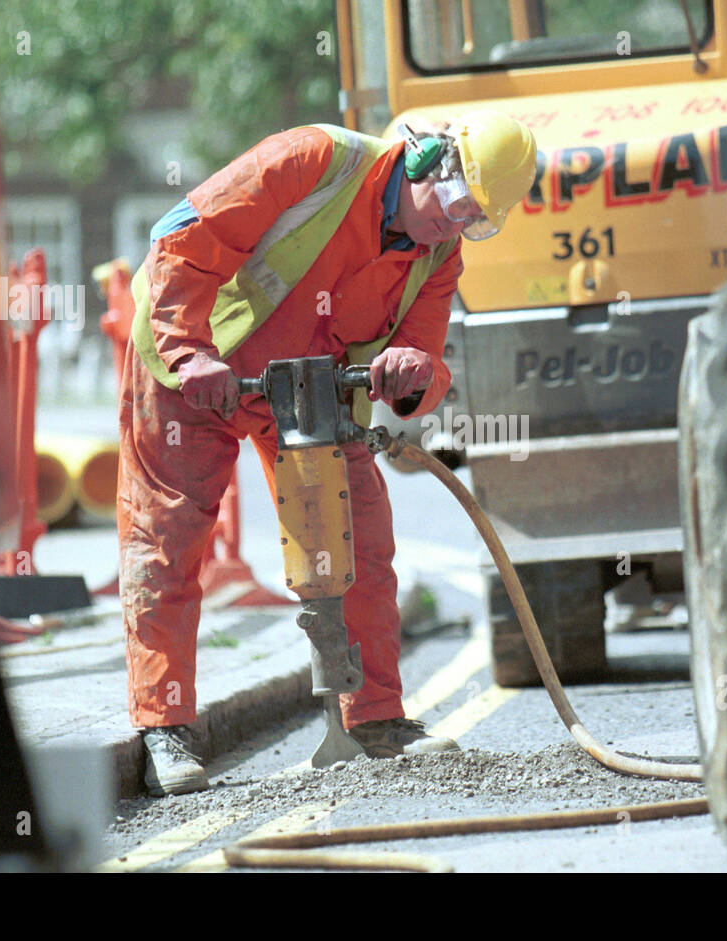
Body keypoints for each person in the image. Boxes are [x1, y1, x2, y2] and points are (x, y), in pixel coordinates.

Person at [118, 110, 537, 795]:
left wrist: (413, 370)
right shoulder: (314, 161)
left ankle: (373, 718)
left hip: (304, 390)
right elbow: (182, 237)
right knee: (166, 542)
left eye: (475, 221)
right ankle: (165, 726)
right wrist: (187, 350)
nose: (454, 224)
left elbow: (426, 367)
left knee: (360, 540)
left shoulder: (438, 254)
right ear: (430, 158)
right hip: (189, 374)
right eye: (458, 204)